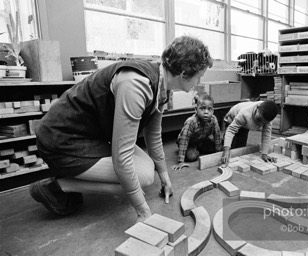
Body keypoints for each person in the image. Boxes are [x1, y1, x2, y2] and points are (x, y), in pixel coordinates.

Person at [29, 36, 213, 222]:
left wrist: (165, 177)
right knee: (142, 178)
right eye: (199, 76)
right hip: (60, 140)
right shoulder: (136, 84)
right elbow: (122, 158)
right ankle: (61, 185)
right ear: (183, 73)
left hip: (90, 135)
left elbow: (154, 135)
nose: (199, 82)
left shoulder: (162, 85)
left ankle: (76, 175)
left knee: (149, 170)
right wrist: (143, 213)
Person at [221, 100, 279, 166]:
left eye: (263, 123)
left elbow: (266, 135)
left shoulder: (268, 117)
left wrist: (264, 154)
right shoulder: (245, 113)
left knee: (240, 146)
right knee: (228, 146)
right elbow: (231, 130)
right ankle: (222, 153)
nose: (260, 123)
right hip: (231, 119)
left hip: (245, 125)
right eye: (259, 119)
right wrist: (226, 150)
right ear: (257, 108)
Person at [172, 94, 222, 171]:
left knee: (216, 147)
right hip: (188, 143)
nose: (206, 112)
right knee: (192, 156)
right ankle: (193, 150)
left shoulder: (213, 119)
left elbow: (217, 136)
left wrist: (219, 153)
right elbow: (184, 140)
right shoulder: (191, 122)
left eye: (209, 109)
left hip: (201, 140)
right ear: (196, 109)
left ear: (213, 110)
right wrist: (180, 161)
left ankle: (199, 148)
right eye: (202, 108)